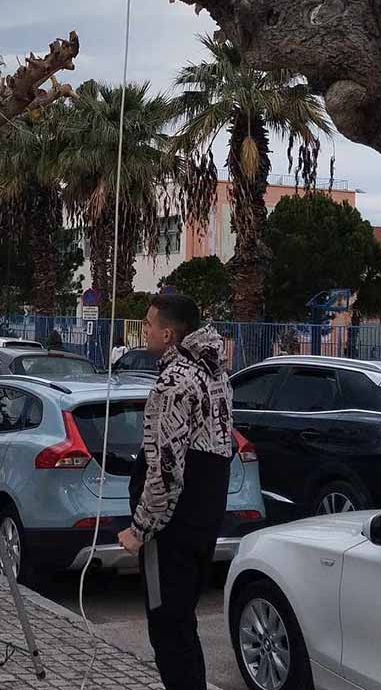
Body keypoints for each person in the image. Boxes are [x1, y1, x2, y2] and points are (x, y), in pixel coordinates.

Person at [118, 294, 232, 690]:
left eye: (149, 323)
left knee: (168, 630)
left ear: (167, 334)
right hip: (204, 520)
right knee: (184, 624)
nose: (144, 329)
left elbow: (166, 470)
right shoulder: (214, 374)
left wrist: (140, 529)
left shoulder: (173, 383)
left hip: (174, 531)